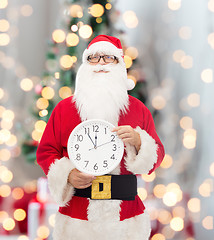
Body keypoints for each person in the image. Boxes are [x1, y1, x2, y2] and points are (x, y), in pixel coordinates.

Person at [36, 35, 165, 240]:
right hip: (77, 218)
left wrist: (139, 142)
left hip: (126, 217)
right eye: (94, 58)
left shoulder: (138, 110)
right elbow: (46, 152)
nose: (101, 63)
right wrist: (68, 175)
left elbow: (157, 155)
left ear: (120, 64)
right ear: (85, 65)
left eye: (108, 57)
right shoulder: (64, 109)